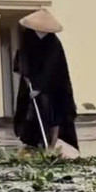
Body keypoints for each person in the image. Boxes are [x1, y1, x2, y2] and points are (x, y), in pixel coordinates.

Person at [14, 9, 79, 152]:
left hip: (54, 85)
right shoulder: (27, 37)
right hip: (31, 81)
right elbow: (22, 57)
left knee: (54, 114)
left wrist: (39, 88)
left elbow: (52, 68)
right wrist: (24, 74)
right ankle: (35, 142)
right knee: (32, 113)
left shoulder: (53, 43)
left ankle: (52, 144)